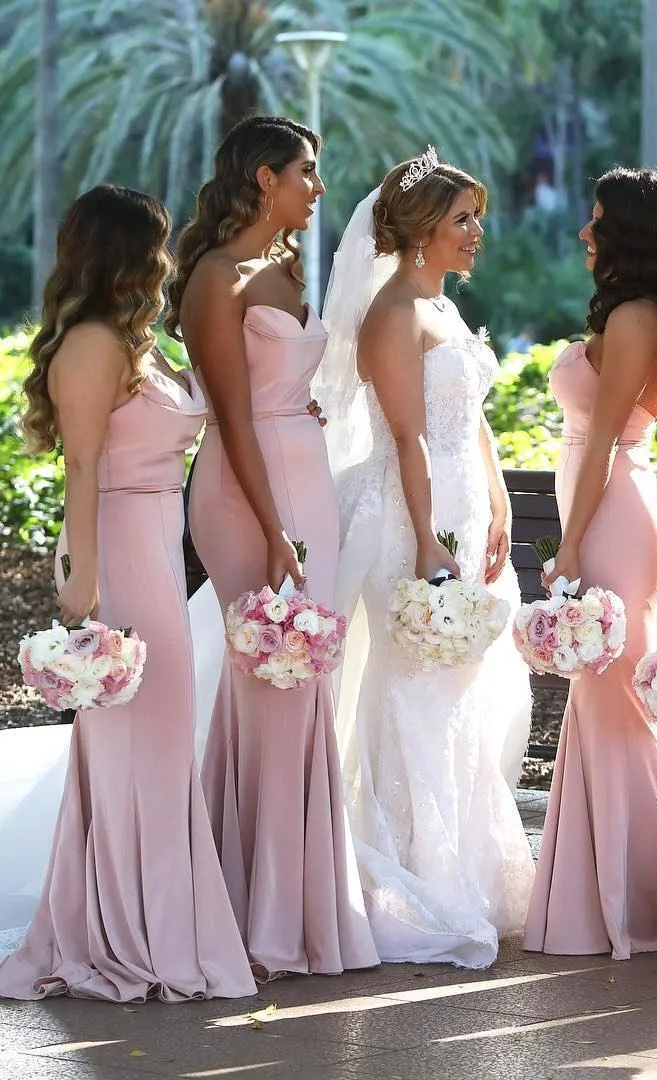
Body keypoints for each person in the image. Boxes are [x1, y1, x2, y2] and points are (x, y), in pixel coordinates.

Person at [0, 186, 256, 1001]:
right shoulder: (88, 345)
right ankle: (120, 931)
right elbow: (80, 469)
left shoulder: (139, 343)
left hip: (155, 546)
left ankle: (153, 922)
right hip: (114, 550)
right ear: (122, 251)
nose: (166, 258)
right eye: (155, 244)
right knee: (130, 745)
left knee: (159, 741)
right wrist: (84, 579)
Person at [168, 115, 378, 980]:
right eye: (307, 171)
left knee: (299, 684)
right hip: (245, 489)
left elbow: (274, 385)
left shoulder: (284, 270)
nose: (317, 186)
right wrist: (272, 531)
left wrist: (302, 405)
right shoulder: (215, 277)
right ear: (263, 177)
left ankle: (277, 894)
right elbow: (227, 412)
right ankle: (266, 913)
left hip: (304, 480)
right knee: (274, 679)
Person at [316, 148, 534, 969]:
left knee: (456, 697)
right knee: (412, 694)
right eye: (462, 221)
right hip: (411, 519)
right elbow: (406, 438)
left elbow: (467, 421)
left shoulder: (441, 305)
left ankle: (466, 871)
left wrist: (500, 496)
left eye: (475, 218)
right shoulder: (394, 316)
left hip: (465, 510)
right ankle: (410, 877)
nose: (477, 233)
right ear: (418, 236)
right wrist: (430, 538)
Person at [523, 167, 657, 959]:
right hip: (602, 505)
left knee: (615, 698)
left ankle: (639, 902)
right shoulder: (627, 309)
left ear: (626, 232)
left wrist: (566, 543)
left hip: (615, 511)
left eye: (597, 221)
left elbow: (600, 442)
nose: (585, 233)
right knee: (609, 701)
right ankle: (611, 893)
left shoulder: (634, 316)